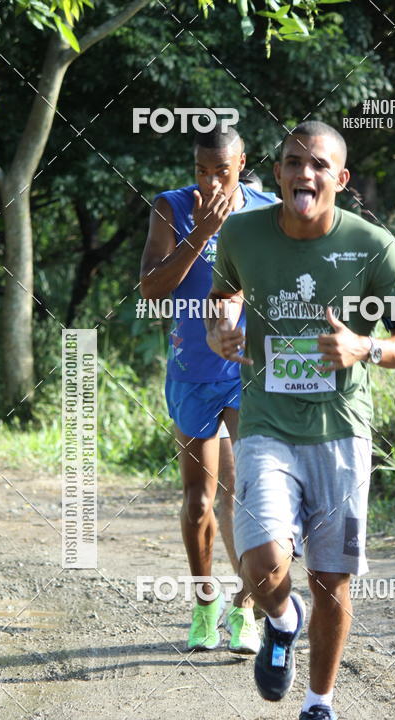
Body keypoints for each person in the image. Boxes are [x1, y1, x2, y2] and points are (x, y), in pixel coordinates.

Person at [206, 120, 395, 720]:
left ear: (341, 178)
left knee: (333, 580)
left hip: (341, 431)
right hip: (268, 423)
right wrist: (223, 327)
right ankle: (281, 621)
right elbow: (225, 296)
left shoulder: (375, 245)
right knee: (261, 561)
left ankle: (319, 709)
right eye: (293, 162)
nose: (305, 174)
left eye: (319, 165)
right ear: (275, 172)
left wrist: (365, 346)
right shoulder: (242, 232)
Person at [140, 126, 277, 653]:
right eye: (201, 170)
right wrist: (199, 235)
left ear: (242, 162)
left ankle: (244, 608)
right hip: (192, 371)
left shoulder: (268, 208)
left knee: (245, 497)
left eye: (221, 171)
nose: (210, 180)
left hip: (247, 371)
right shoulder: (171, 208)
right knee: (198, 501)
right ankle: (204, 605)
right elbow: (151, 289)